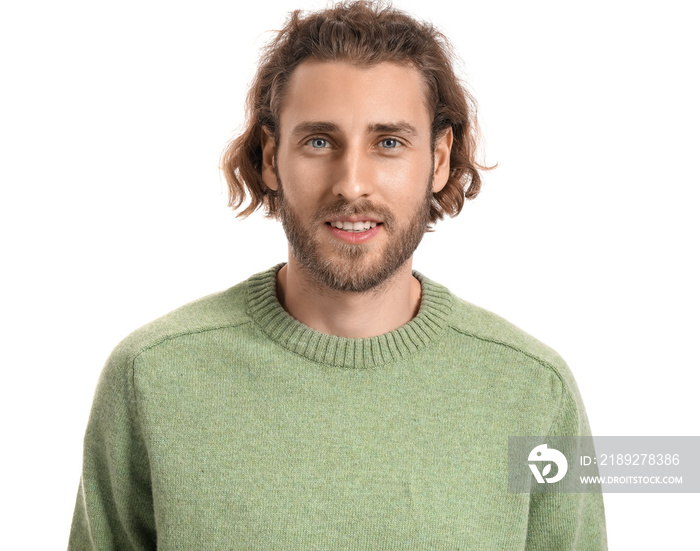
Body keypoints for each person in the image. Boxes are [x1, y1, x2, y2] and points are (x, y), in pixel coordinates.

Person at [68, 1, 607, 549]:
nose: (352, 184)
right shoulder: (153, 377)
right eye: (319, 141)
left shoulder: (534, 391)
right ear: (272, 156)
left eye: (389, 142)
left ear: (439, 159)